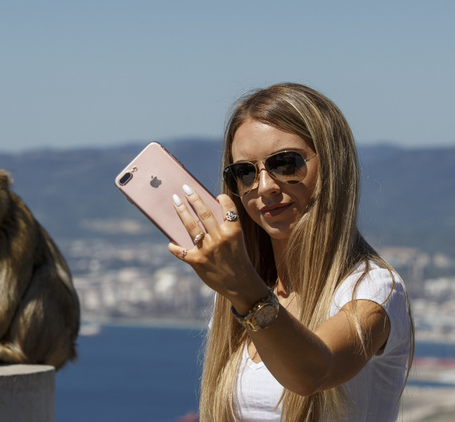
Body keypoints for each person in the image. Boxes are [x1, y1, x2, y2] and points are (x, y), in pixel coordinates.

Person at [168, 83, 414, 422]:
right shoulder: (244, 296)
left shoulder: (372, 288)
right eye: (245, 172)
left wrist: (244, 289)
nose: (265, 186)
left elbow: (313, 372)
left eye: (285, 164)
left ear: (332, 165)